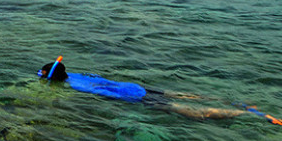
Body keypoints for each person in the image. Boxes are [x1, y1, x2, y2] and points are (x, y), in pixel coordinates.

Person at [38, 58, 247, 121]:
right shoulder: (75, 75)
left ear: (51, 77)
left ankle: (240, 113)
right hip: (133, 86)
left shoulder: (73, 85)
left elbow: (105, 92)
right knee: (178, 95)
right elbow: (99, 80)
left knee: (186, 110)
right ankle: (222, 100)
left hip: (131, 96)